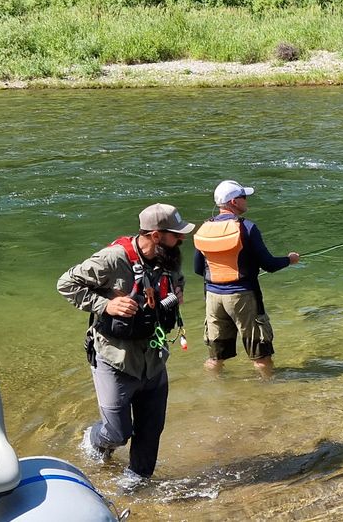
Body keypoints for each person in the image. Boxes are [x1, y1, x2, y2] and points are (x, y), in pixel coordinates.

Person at [56, 203, 194, 484]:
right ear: (156, 235)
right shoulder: (112, 259)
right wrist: (106, 305)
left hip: (154, 359)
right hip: (115, 359)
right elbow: (66, 284)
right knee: (118, 433)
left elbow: (179, 280)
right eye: (176, 234)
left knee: (151, 430)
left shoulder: (170, 258)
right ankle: (94, 440)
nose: (182, 239)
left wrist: (177, 293)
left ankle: (135, 482)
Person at [193, 180, 298, 379]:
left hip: (213, 298)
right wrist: (290, 260)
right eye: (244, 197)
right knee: (260, 355)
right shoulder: (248, 228)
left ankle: (213, 392)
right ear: (234, 202)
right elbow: (269, 264)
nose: (246, 201)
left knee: (215, 357)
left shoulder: (204, 229)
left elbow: (198, 268)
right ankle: (268, 392)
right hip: (243, 297)